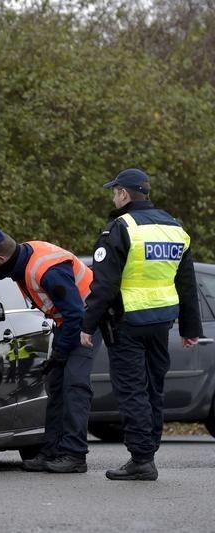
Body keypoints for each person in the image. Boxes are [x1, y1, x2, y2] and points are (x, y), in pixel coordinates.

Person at [80, 168, 201, 481]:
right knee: (153, 388)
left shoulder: (121, 227)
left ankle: (142, 459)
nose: (113, 197)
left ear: (123, 193)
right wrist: (190, 329)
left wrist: (87, 325)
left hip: (127, 323)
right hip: (162, 322)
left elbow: (103, 285)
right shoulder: (175, 228)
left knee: (133, 389)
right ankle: (149, 450)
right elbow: (187, 284)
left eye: (114, 191)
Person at [0, 227, 96, 473]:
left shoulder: (48, 272)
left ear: (1, 258)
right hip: (67, 323)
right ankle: (52, 451)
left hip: (86, 324)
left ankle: (75, 456)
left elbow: (76, 314)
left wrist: (60, 354)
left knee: (74, 387)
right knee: (56, 386)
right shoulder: (20, 256)